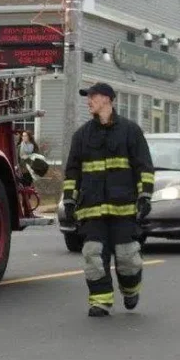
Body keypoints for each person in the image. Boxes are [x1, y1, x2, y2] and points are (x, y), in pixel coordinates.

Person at [62, 82, 154, 318]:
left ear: (107, 99)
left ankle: (131, 289)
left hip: (123, 209)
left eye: (92, 97)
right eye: (88, 97)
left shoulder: (131, 131)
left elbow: (144, 166)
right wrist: (69, 200)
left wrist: (145, 196)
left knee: (126, 256)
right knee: (93, 254)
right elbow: (72, 171)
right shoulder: (81, 135)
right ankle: (101, 301)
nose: (88, 101)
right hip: (91, 209)